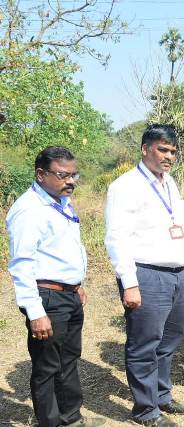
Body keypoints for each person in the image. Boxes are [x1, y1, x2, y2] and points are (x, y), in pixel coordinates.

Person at [7, 147, 105, 427]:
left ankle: (71, 418)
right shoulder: (29, 210)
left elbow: (60, 250)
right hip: (46, 298)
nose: (71, 181)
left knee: (68, 360)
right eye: (63, 175)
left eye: (74, 175)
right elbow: (22, 264)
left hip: (69, 294)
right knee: (47, 367)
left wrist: (76, 284)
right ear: (41, 174)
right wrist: (35, 312)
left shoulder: (60, 202)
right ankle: (49, 422)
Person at [105, 124, 184, 426]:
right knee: (144, 344)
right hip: (147, 275)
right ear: (145, 149)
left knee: (169, 340)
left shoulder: (170, 183)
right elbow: (116, 238)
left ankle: (161, 395)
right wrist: (129, 283)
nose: (169, 156)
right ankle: (145, 410)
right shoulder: (125, 186)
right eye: (162, 149)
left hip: (177, 274)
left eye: (172, 151)